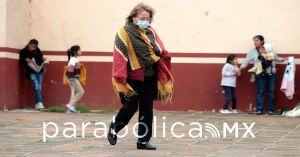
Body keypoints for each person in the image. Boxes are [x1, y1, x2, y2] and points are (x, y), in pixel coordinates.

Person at [108, 3, 174, 150]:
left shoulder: (151, 32)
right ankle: (114, 128)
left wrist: (163, 56)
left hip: (150, 77)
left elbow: (159, 49)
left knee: (147, 109)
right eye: (143, 18)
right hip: (132, 77)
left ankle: (143, 141)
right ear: (133, 17)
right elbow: (119, 54)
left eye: (149, 19)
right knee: (130, 107)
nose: (146, 21)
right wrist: (120, 76)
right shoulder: (124, 32)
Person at [240, 35, 286, 115]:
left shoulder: (269, 49)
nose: (255, 42)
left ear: (262, 41)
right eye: (254, 41)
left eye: (257, 40)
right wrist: (239, 69)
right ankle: (259, 109)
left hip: (271, 73)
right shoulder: (252, 52)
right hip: (260, 74)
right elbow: (245, 62)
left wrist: (284, 59)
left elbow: (276, 58)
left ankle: (270, 110)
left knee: (271, 91)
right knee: (260, 91)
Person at [19, 39, 49, 110]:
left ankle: (38, 103)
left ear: (36, 46)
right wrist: (25, 60)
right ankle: (39, 103)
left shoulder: (37, 50)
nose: (32, 48)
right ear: (28, 44)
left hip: (40, 71)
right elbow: (21, 61)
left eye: (34, 47)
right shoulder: (23, 51)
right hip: (31, 71)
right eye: (31, 46)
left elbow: (40, 58)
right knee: (36, 86)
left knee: (39, 86)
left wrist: (44, 60)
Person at [65, 45, 84, 113]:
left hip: (73, 77)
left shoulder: (75, 59)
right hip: (72, 78)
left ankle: (70, 109)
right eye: (79, 50)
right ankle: (70, 104)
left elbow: (74, 67)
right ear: (75, 52)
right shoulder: (73, 59)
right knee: (81, 91)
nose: (80, 51)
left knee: (74, 93)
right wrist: (71, 78)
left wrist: (80, 65)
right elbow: (70, 68)